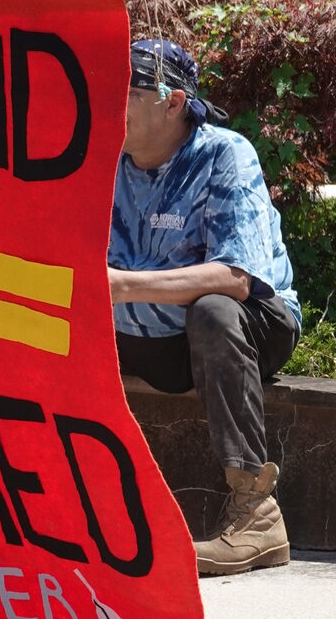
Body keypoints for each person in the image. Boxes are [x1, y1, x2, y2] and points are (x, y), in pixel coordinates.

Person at [109, 38, 301, 577]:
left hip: (250, 323)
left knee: (214, 308)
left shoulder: (223, 153)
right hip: (149, 335)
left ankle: (256, 513)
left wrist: (123, 285)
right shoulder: (100, 158)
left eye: (122, 91)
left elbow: (237, 277)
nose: (106, 104)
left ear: (172, 102)